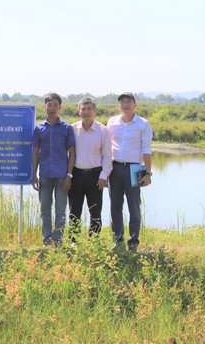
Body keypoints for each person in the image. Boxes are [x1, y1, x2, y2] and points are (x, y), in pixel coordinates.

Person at [107, 92, 153, 251]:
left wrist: (148, 174)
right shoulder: (112, 122)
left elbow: (146, 150)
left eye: (128, 101)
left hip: (135, 168)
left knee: (134, 207)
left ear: (135, 105)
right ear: (119, 105)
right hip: (114, 168)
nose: (125, 104)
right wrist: (105, 171)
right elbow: (106, 147)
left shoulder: (143, 124)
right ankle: (118, 241)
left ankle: (133, 243)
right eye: (122, 102)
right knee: (115, 206)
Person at [32, 93, 75, 246]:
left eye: (55, 105)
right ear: (45, 107)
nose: (52, 108)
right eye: (49, 105)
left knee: (61, 210)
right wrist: (34, 175)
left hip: (62, 176)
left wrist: (69, 175)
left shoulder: (67, 128)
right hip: (44, 175)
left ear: (60, 107)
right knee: (45, 209)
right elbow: (35, 153)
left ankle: (58, 240)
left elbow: (72, 153)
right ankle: (47, 240)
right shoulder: (39, 128)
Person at [68, 97, 113, 238]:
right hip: (76, 175)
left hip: (96, 175)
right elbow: (68, 153)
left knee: (95, 211)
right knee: (74, 210)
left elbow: (107, 156)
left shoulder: (103, 130)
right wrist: (68, 175)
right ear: (78, 111)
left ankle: (94, 241)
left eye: (89, 109)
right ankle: (74, 240)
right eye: (83, 109)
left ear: (94, 111)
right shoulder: (72, 129)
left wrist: (104, 176)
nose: (86, 112)